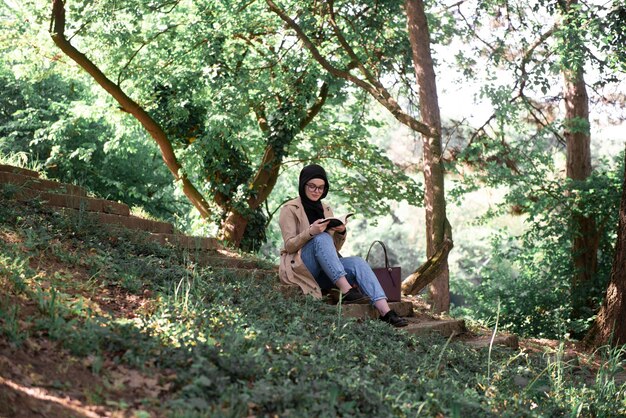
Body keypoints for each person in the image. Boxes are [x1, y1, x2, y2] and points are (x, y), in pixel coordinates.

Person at [278, 164, 408, 327]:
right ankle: (347, 291)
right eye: (312, 186)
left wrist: (341, 232)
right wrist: (310, 232)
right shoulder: (290, 209)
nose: (316, 191)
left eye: (321, 187)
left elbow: (332, 251)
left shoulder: (326, 209)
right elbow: (289, 246)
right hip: (301, 267)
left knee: (358, 262)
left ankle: (386, 312)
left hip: (325, 271)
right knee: (320, 238)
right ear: (303, 184)